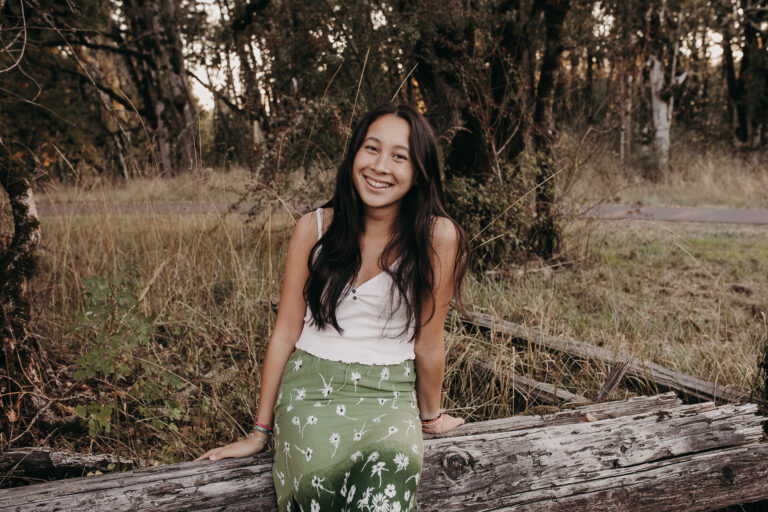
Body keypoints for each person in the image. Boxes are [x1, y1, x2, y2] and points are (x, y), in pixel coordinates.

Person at [196, 103, 469, 511]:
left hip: (389, 398)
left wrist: (430, 418)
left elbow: (429, 343)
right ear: (354, 155)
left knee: (385, 500)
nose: (380, 166)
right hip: (310, 393)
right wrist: (259, 433)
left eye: (399, 156)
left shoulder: (437, 237)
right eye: (370, 149)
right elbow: (287, 331)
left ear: (418, 174)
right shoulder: (315, 228)